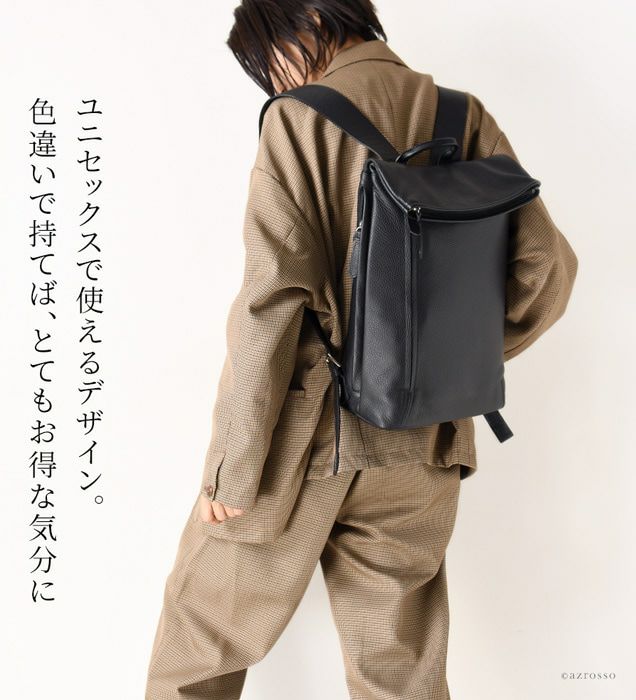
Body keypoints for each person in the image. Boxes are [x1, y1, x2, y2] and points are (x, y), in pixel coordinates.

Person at [145, 2, 579, 698]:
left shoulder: (298, 119)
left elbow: (270, 302)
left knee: (196, 654)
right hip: (422, 441)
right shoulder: (461, 116)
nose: (275, 78)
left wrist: (233, 470)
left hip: (301, 446)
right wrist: (440, 361)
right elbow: (548, 270)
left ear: (313, 20)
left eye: (271, 55)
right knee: (400, 679)